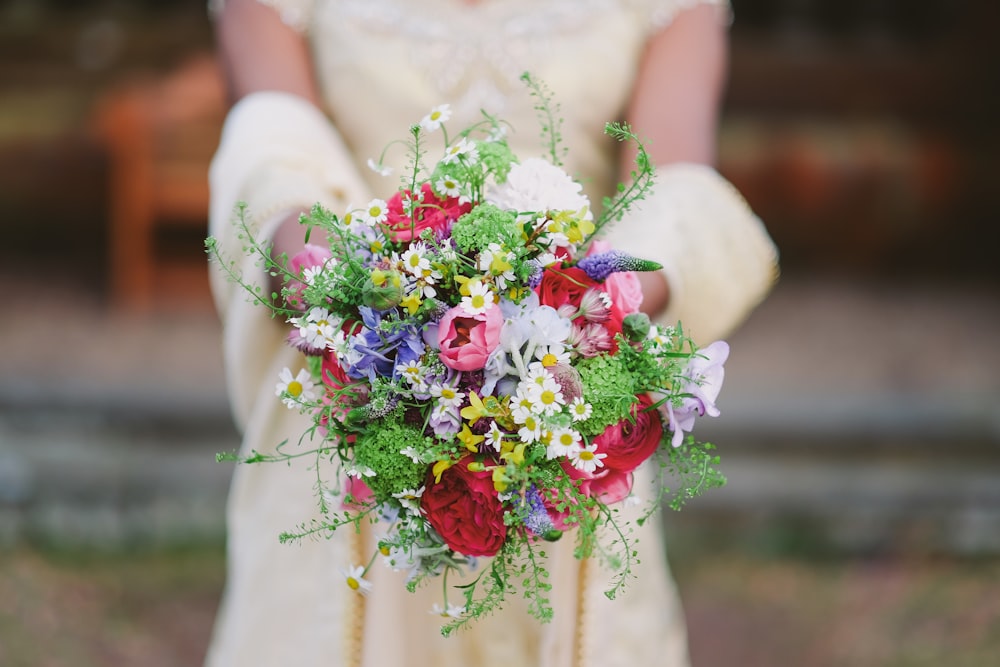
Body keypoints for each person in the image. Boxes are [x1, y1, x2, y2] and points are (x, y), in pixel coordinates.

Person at [205, 1, 779, 666]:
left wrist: (594, 305)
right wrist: (339, 286)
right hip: (360, 407)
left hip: (565, 412)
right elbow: (272, 145)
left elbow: (670, 186)